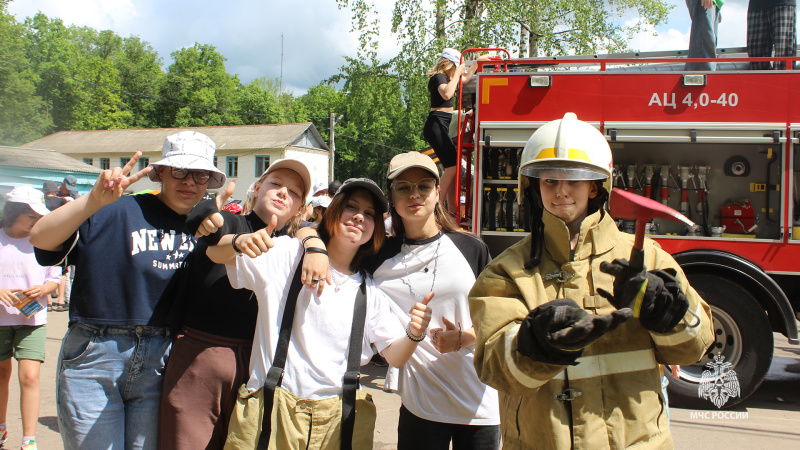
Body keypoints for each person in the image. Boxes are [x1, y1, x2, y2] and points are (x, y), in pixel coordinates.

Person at [468, 113, 715, 449]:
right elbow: (495, 368)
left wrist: (668, 315)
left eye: (573, 179)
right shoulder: (506, 272)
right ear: (532, 187)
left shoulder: (647, 258)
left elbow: (694, 348)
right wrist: (533, 344)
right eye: (549, 181)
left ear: (595, 186)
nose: (561, 191)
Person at [29, 130, 225, 449]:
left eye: (200, 174)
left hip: (162, 358)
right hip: (95, 353)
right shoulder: (114, 208)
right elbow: (39, 238)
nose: (189, 181)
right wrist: (93, 201)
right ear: (160, 172)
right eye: (179, 171)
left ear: (209, 181)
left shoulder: (206, 228)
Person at [208, 178, 433, 449]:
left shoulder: (368, 289)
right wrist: (238, 241)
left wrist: (414, 332)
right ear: (333, 211)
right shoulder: (288, 256)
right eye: (351, 207)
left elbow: (395, 356)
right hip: (274, 406)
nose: (360, 217)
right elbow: (215, 254)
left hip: (339, 415)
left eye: (370, 214)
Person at [159, 158, 320, 450]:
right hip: (201, 358)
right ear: (257, 188)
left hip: (259, 368)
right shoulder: (233, 221)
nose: (284, 192)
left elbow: (313, 234)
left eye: (294, 192)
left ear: (300, 208)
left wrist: (313, 244)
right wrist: (214, 220)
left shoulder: (294, 247)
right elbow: (209, 227)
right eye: (275, 184)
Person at [367, 151, 501, 449]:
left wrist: (465, 338)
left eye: (424, 186)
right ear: (391, 196)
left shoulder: (471, 248)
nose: (414, 194)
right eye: (403, 187)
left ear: (437, 192)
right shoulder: (377, 258)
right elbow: (326, 234)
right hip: (420, 407)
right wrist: (313, 247)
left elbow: (502, 316)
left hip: (479, 404)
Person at [0, 186, 61, 450]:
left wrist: (44, 289)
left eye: (38, 216)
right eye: (31, 216)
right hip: (1, 320)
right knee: (1, 375)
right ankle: (1, 428)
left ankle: (29, 440)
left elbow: (54, 278)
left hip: (33, 320)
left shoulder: (44, 240)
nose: (36, 221)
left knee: (31, 377)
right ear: (13, 213)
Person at [423, 48, 490, 215]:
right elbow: (447, 94)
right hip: (436, 124)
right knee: (452, 167)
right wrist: (458, 72)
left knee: (451, 167)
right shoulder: (438, 78)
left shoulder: (446, 78)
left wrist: (476, 63)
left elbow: (465, 79)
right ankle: (437, 205)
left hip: (440, 125)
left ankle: (451, 209)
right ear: (449, 65)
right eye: (455, 68)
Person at [41, 181, 69, 312]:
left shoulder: (41, 202)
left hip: (43, 238)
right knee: (62, 270)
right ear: (55, 189)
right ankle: (60, 301)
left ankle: (48, 303)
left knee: (46, 270)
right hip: (59, 237)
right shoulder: (61, 201)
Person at [747, 0, 797, 70]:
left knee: (784, 58)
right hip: (756, 6)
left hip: (783, 4)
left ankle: (782, 80)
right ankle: (759, 81)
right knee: (757, 60)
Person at [685, 0, 723, 71]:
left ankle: (704, 77)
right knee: (703, 51)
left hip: (715, 3)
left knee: (707, 47)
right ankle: (701, 78)